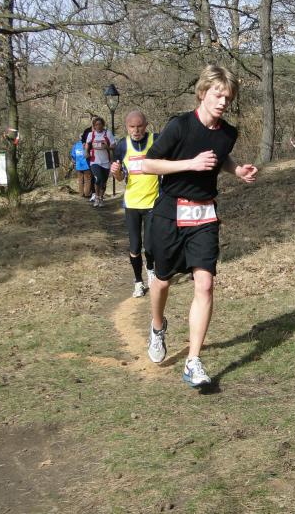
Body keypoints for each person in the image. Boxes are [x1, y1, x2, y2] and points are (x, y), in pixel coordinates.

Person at [139, 64, 257, 388]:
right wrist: (189, 164)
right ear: (203, 93)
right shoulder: (179, 126)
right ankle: (157, 325)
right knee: (162, 281)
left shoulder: (228, 134)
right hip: (169, 212)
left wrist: (237, 170)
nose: (223, 102)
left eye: (228, 98)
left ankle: (193, 361)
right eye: (218, 95)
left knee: (205, 284)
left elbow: (221, 157)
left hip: (204, 215)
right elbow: (147, 164)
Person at [110, 111, 159, 298]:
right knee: (135, 246)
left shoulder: (156, 140)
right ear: (127, 127)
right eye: (132, 127)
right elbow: (120, 177)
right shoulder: (122, 146)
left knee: (150, 245)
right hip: (132, 203)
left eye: (139, 126)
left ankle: (151, 269)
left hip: (154, 200)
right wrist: (116, 172)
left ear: (146, 125)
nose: (136, 131)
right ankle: (138, 282)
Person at [84, 116, 115, 207]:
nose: (98, 126)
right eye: (96, 125)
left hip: (105, 162)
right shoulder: (91, 134)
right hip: (94, 161)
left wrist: (107, 147)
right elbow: (87, 144)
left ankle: (101, 198)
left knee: (103, 182)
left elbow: (114, 146)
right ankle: (97, 197)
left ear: (103, 125)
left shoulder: (108, 133)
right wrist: (86, 152)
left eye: (100, 124)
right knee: (98, 179)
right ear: (94, 126)